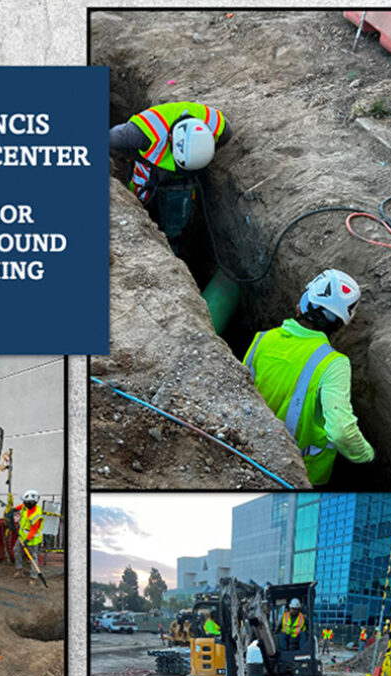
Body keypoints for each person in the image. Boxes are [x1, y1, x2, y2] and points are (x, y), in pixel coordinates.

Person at [242, 269, 375, 486]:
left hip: (251, 452)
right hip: (302, 473)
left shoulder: (262, 340)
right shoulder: (334, 364)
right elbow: (342, 432)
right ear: (340, 324)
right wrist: (366, 456)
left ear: (301, 305)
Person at [109, 101, 232, 240]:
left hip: (180, 185)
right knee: (144, 202)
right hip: (149, 173)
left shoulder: (220, 128)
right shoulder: (138, 135)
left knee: (178, 210)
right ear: (171, 139)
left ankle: (176, 236)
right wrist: (144, 160)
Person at [11, 489, 44, 582]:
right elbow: (19, 507)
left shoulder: (37, 514)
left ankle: (33, 577)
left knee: (32, 557)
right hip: (21, 536)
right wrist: (13, 510)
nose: (24, 504)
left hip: (33, 540)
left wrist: (27, 540)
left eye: (26, 502)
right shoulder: (25, 506)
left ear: (32, 503)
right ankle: (19, 569)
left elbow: (34, 529)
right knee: (16, 551)